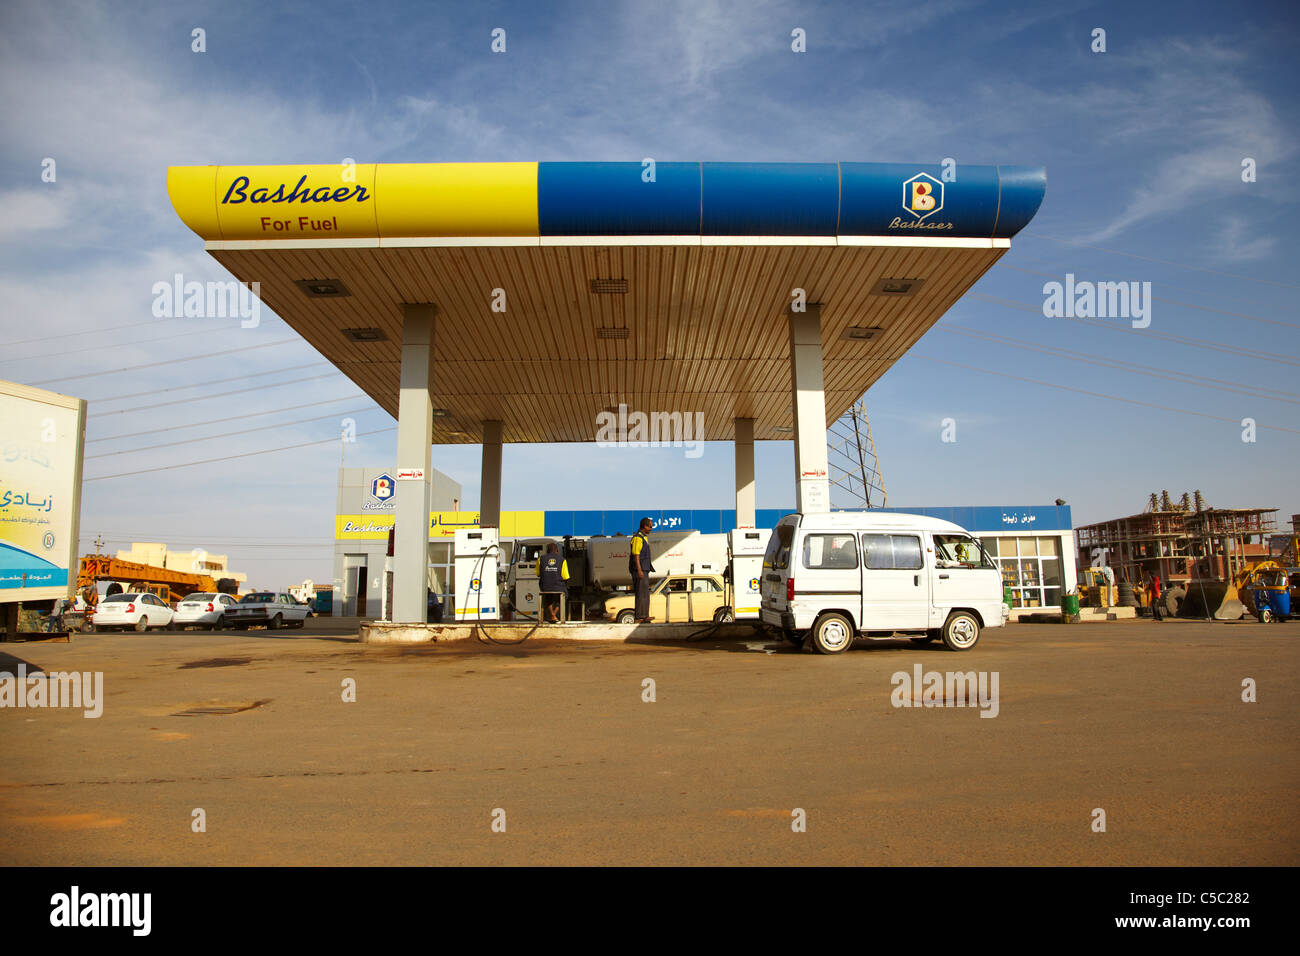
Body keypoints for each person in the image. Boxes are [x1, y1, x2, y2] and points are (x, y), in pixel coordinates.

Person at [629, 517, 655, 622]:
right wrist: (639, 570)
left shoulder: (644, 537)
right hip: (639, 569)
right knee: (640, 593)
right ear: (645, 526)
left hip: (645, 568)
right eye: (650, 526)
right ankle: (639, 616)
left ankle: (645, 615)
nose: (651, 529)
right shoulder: (637, 538)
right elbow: (636, 555)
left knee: (645, 593)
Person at [537, 542, 569, 623]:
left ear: (547, 550)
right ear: (557, 551)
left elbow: (538, 574)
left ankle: (552, 615)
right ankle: (554, 614)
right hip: (558, 586)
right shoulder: (562, 560)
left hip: (545, 586)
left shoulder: (540, 559)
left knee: (548, 597)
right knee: (564, 595)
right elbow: (566, 576)